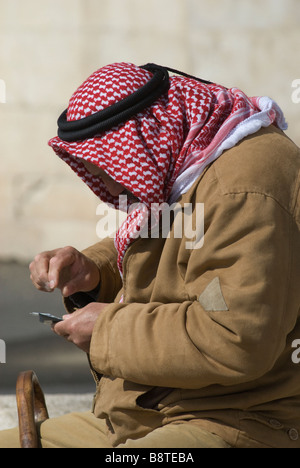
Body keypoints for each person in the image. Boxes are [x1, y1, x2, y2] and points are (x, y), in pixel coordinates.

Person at [1, 62, 300, 448]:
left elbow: (237, 338)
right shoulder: (193, 161)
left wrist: (107, 329)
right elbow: (175, 241)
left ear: (146, 139)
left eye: (107, 166)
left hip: (241, 421)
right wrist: (93, 273)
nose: (106, 185)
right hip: (151, 414)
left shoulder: (241, 190)